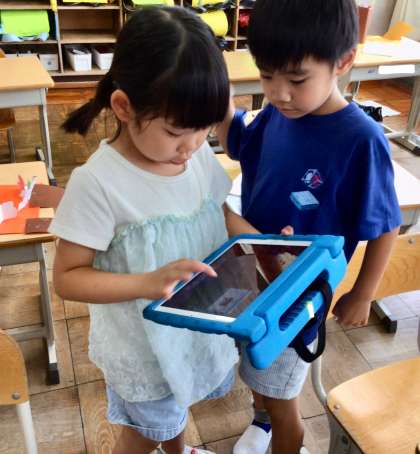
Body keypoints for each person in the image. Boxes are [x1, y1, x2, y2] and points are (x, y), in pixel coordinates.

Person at [50, 7, 253, 454]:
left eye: (204, 129)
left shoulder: (193, 154)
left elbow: (220, 213)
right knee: (145, 433)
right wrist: (146, 282)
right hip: (142, 346)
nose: (193, 145)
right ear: (124, 107)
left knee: (174, 411)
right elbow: (67, 278)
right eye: (177, 131)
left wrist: (261, 241)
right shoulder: (98, 183)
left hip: (193, 327)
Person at [217, 0, 402, 453]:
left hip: (298, 298)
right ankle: (261, 420)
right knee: (255, 364)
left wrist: (363, 294)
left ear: (344, 61)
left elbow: (386, 225)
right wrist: (217, 94)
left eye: (297, 79)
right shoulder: (278, 113)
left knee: (282, 392)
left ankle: (287, 438)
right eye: (266, 76)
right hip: (254, 275)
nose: (279, 93)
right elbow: (238, 144)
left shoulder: (361, 140)